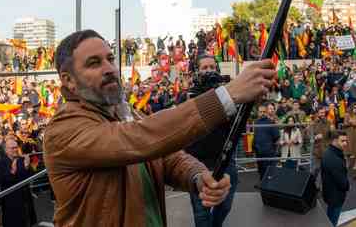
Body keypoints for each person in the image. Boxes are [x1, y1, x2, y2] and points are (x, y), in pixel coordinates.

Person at [43, 30, 275, 226]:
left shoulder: (124, 112)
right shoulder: (63, 130)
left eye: (110, 59)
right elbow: (138, 139)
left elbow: (167, 158)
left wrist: (197, 176)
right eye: (94, 63)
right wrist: (227, 96)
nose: (109, 68)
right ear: (68, 80)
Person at [182, 55, 238, 227]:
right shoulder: (188, 96)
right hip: (198, 162)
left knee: (225, 205)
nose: (209, 71)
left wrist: (228, 97)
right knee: (201, 212)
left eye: (212, 67)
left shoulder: (226, 94)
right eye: (204, 68)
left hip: (224, 160)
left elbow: (235, 124)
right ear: (197, 72)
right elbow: (183, 126)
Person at [0, 138, 34, 227]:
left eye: (16, 147)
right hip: (11, 200)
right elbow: (1, 180)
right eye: (12, 148)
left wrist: (27, 167)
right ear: (6, 150)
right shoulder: (0, 163)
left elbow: (31, 176)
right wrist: (12, 172)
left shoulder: (21, 159)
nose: (15, 150)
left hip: (25, 198)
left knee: (27, 222)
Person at [321, 130, 350, 226]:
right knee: (332, 221)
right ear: (334, 141)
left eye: (346, 141)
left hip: (330, 194)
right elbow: (342, 181)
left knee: (330, 218)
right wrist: (348, 186)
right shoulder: (334, 158)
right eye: (342, 141)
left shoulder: (329, 152)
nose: (345, 143)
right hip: (336, 196)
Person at [253, 103, 280, 180]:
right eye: (260, 112)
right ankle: (262, 185)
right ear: (258, 113)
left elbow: (276, 137)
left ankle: (268, 185)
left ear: (266, 112)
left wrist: (271, 147)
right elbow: (255, 136)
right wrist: (254, 148)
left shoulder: (271, 122)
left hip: (269, 152)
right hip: (259, 152)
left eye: (264, 112)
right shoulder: (256, 122)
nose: (262, 113)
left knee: (269, 172)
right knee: (261, 172)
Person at [344, 103, 356, 177]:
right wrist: (349, 123)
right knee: (347, 150)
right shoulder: (347, 115)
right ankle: (348, 163)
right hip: (349, 135)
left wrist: (352, 123)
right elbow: (345, 124)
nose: (355, 109)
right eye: (354, 107)